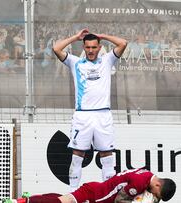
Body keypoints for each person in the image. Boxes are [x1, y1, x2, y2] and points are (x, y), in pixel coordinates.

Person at [52, 29, 127, 192]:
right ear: (84, 48)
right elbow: (56, 48)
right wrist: (75, 37)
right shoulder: (75, 62)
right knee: (77, 156)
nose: (91, 51)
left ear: (99, 47)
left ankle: (109, 194)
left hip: (103, 114)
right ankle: (72, 194)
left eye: (94, 47)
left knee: (107, 156)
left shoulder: (107, 60)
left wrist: (103, 36)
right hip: (83, 115)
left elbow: (123, 43)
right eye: (88, 47)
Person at [3, 168, 176, 203]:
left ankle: (26, 200)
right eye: (156, 195)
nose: (153, 196)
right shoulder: (140, 183)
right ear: (158, 186)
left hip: (96, 190)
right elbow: (119, 201)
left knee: (63, 199)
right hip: (96, 196)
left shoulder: (146, 173)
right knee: (64, 202)